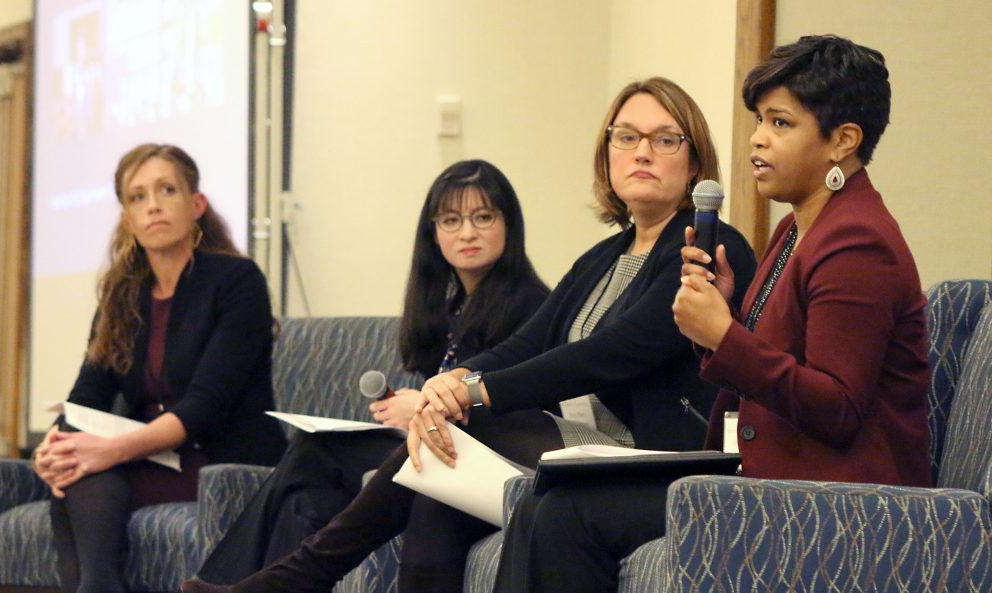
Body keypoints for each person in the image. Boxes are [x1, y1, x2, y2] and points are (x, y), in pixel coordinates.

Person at [181, 76, 757, 593]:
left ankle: (293, 579)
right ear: (606, 152)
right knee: (441, 471)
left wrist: (476, 393)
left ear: (694, 157)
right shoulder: (604, 256)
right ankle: (290, 581)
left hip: (646, 459)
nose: (642, 153)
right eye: (626, 136)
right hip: (580, 448)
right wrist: (452, 379)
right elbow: (530, 343)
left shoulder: (706, 244)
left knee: (468, 422)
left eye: (664, 139)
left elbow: (609, 355)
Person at [491, 35, 932, 593]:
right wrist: (723, 324)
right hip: (769, 478)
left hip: (843, 502)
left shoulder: (857, 242)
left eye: (781, 124)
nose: (757, 140)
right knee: (549, 500)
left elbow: (838, 407)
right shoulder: (799, 227)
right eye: (758, 121)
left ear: (843, 141)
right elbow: (774, 361)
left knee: (569, 514)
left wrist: (724, 336)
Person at [194, 159, 551, 583]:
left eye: (483, 217)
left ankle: (252, 583)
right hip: (442, 446)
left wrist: (423, 406)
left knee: (339, 470)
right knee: (308, 487)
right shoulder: (449, 308)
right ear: (433, 234)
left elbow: (511, 402)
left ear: (509, 224)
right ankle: (251, 583)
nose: (467, 232)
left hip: (499, 461)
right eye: (452, 220)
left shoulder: (533, 305)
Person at [32, 143, 288, 593]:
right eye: (137, 197)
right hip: (152, 455)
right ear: (127, 218)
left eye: (166, 190)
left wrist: (107, 451)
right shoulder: (124, 295)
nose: (152, 205)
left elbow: (203, 408)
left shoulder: (237, 282)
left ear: (196, 205)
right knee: (75, 469)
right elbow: (85, 399)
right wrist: (52, 448)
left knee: (87, 472)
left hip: (222, 462)